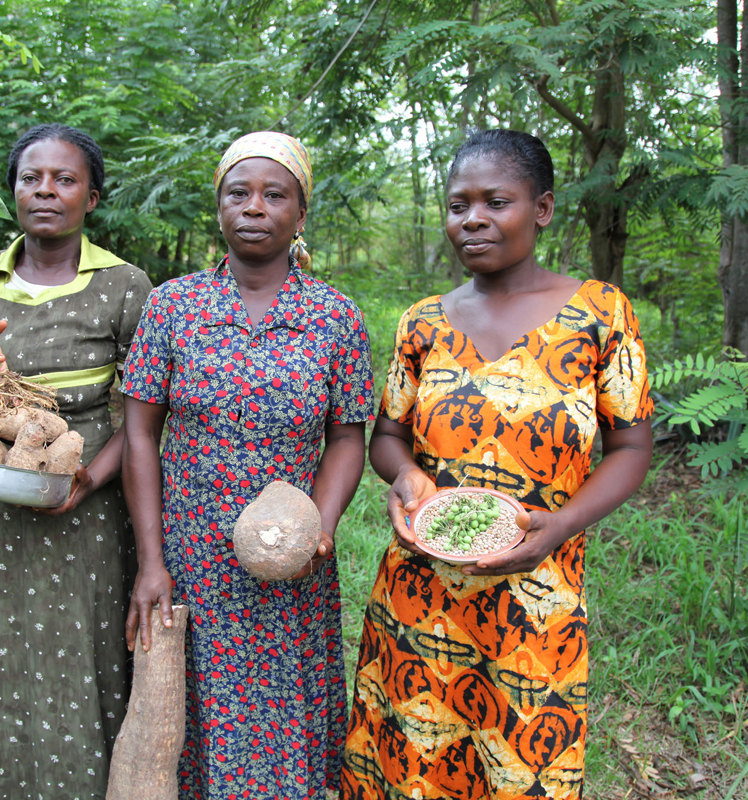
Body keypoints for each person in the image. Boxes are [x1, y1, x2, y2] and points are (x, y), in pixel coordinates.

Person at [341, 129, 654, 800]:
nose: (472, 220)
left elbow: (630, 448)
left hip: (535, 594)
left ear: (541, 209)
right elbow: (387, 437)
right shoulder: (422, 322)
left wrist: (562, 524)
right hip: (419, 595)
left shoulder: (600, 315)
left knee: (522, 768)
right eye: (459, 205)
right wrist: (405, 476)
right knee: (411, 770)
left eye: (495, 202)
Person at [120, 131, 375, 799]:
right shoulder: (173, 307)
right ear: (220, 207)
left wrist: (321, 523)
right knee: (197, 700)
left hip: (291, 558)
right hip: (192, 553)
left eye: (274, 195)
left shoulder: (332, 317)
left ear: (300, 211)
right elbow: (140, 432)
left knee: (283, 700)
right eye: (239, 193)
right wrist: (151, 560)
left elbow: (348, 435)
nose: (255, 207)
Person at [0, 123, 152, 800]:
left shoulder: (124, 286)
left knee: (82, 658)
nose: (45, 191)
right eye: (31, 178)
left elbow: (145, 423)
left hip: (84, 508)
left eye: (65, 179)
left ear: (93, 197)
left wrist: (88, 478)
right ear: (13, 190)